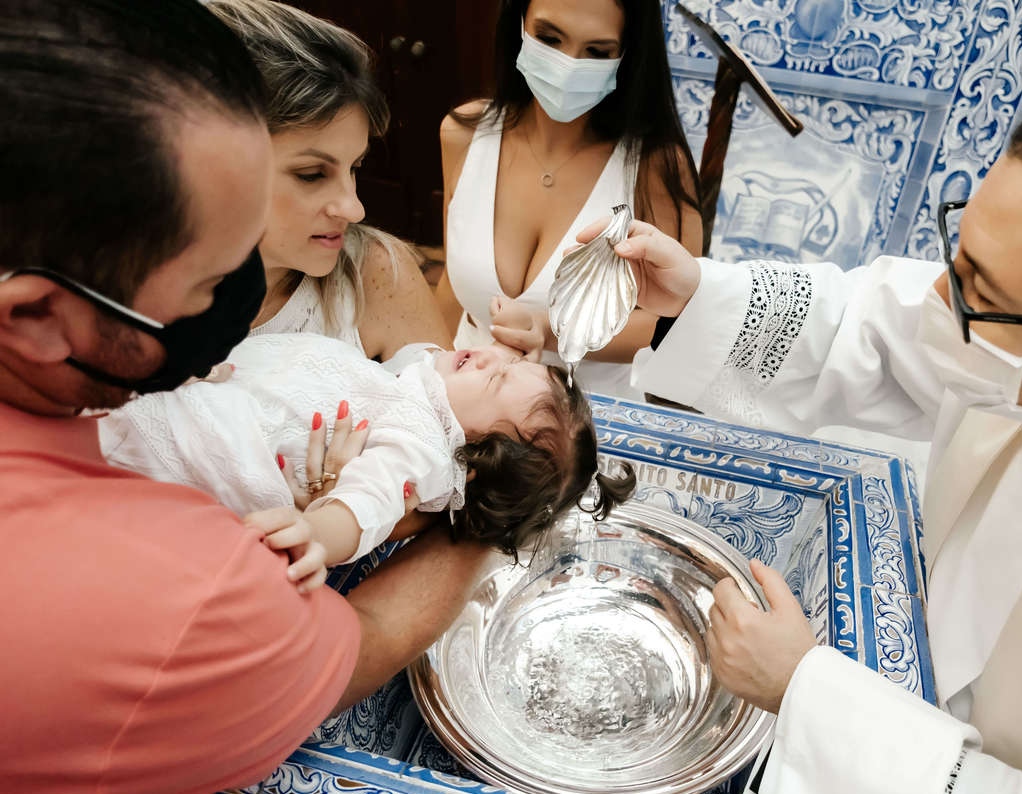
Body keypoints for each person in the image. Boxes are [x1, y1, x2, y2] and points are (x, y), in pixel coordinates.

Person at [580, 59, 1022, 794]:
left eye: (980, 294)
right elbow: (868, 324)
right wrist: (692, 296)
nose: (943, 295)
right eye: (958, 253)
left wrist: (810, 694)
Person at [0, 1, 481, 794]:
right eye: (210, 281)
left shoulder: (373, 277)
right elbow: (341, 648)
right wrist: (484, 515)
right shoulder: (194, 586)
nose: (227, 326)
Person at [100, 333, 634, 586]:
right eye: (515, 361)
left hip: (194, 443)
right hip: (207, 386)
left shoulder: (422, 445)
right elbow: (414, 355)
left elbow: (369, 502)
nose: (492, 354)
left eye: (494, 378)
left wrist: (317, 535)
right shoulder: (426, 382)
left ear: (474, 455)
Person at [436, 0, 702, 399]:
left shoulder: (655, 167)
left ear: (627, 55)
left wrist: (550, 329)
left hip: (590, 428)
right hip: (463, 412)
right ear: (519, 25)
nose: (567, 65)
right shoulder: (463, 134)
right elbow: (449, 286)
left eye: (597, 52)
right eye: (549, 38)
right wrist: (423, 378)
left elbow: (675, 321)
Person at [207, 0, 454, 357]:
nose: (354, 210)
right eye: (311, 175)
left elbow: (449, 410)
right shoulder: (116, 295)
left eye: (354, 167)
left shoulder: (378, 276)